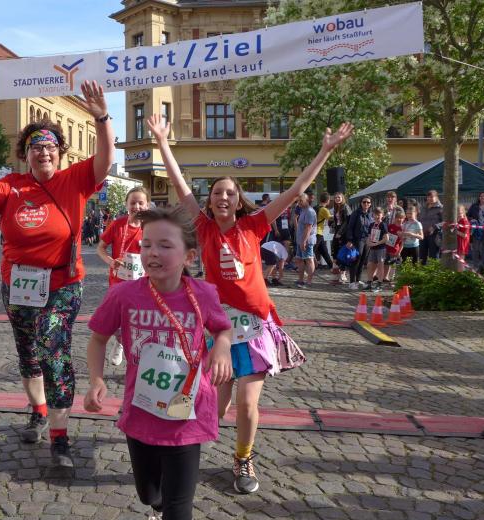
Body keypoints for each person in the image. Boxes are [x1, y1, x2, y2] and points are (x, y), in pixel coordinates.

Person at [148, 112, 352, 494]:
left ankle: (243, 459)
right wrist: (161, 141)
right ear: (209, 202)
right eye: (216, 193)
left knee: (246, 403)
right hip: (219, 331)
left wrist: (325, 151)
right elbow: (178, 184)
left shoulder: (254, 225)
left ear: (238, 199)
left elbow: (296, 188)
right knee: (214, 404)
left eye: (229, 192)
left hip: (255, 326)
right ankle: (189, 448)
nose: (223, 197)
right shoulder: (204, 228)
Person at [0, 80, 114, 467]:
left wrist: (102, 118)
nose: (43, 152)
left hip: (62, 283)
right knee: (28, 352)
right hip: (18, 285)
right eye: (36, 147)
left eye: (50, 147)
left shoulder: (75, 179)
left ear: (60, 152)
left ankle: (60, 438)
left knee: (54, 351)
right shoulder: (11, 186)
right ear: (26, 154)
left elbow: (105, 159)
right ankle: (39, 412)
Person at [85, 206, 232, 520]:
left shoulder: (203, 294)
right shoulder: (123, 295)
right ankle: (157, 506)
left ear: (189, 256)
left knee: (180, 510)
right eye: (147, 244)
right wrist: (96, 380)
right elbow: (97, 339)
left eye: (165, 245)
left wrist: (222, 348)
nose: (152, 252)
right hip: (142, 412)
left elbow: (223, 328)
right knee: (149, 493)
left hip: (186, 414)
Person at [96, 186, 151, 366]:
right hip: (118, 281)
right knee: (114, 320)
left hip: (143, 282)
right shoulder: (118, 224)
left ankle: (134, 355)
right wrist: (110, 261)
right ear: (127, 204)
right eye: (133, 202)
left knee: (137, 321)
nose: (137, 206)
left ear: (147, 205)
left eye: (141, 203)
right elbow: (100, 248)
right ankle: (120, 341)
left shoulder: (151, 227)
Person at [345, 197, 373, 289]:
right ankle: (352, 282)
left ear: (370, 204)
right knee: (356, 259)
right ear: (361, 203)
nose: (366, 204)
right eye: (364, 202)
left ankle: (358, 280)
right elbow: (350, 227)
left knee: (362, 260)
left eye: (368, 202)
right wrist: (350, 240)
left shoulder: (370, 214)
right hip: (358, 239)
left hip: (367, 239)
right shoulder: (356, 213)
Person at [294, 193, 317, 288]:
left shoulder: (310, 211)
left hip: (307, 240)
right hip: (300, 240)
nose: (299, 203)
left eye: (301, 201)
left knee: (309, 259)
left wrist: (303, 241)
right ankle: (301, 280)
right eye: (298, 201)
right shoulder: (302, 210)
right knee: (299, 259)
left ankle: (309, 282)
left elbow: (308, 228)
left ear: (307, 201)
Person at [330, 192, 353, 283]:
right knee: (335, 251)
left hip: (344, 233)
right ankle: (336, 274)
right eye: (335, 197)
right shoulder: (336, 207)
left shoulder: (346, 207)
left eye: (339, 197)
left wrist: (340, 232)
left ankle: (343, 274)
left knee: (343, 252)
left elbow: (347, 222)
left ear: (342, 198)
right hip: (338, 230)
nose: (337, 199)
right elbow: (337, 221)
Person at [364, 207, 388, 291]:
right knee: (369, 265)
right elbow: (369, 236)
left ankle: (379, 283)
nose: (377, 216)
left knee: (380, 265)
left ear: (382, 215)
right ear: (373, 215)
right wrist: (368, 242)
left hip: (381, 248)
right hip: (373, 249)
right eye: (375, 214)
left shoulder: (383, 225)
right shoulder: (371, 225)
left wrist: (376, 243)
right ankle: (369, 282)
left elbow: (386, 238)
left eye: (379, 214)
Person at [419, 190, 443, 264]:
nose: (430, 198)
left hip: (434, 235)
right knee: (422, 255)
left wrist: (434, 227)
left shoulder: (441, 208)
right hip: (422, 234)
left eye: (432, 197)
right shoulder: (423, 207)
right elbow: (419, 219)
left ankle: (434, 271)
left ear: (436, 197)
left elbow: (445, 222)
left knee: (433, 256)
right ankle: (422, 271)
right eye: (429, 197)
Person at [384, 207, 405, 281]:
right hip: (387, 248)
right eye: (397, 218)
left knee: (393, 264)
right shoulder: (390, 226)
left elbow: (403, 242)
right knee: (386, 263)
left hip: (395, 249)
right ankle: (385, 277)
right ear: (395, 218)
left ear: (404, 219)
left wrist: (399, 251)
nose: (399, 219)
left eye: (401, 218)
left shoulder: (403, 229)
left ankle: (391, 278)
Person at [313, 192, 333, 271]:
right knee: (311, 251)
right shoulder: (324, 209)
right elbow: (330, 218)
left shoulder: (315, 207)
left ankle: (332, 267)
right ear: (328, 200)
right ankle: (304, 268)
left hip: (316, 232)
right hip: (318, 232)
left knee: (324, 251)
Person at [454, 205, 471, 272]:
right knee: (458, 262)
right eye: (457, 213)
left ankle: (461, 274)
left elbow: (465, 235)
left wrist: (455, 231)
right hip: (458, 242)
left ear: (464, 213)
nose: (458, 215)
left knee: (460, 262)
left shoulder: (464, 221)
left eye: (460, 213)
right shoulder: (458, 220)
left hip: (462, 243)